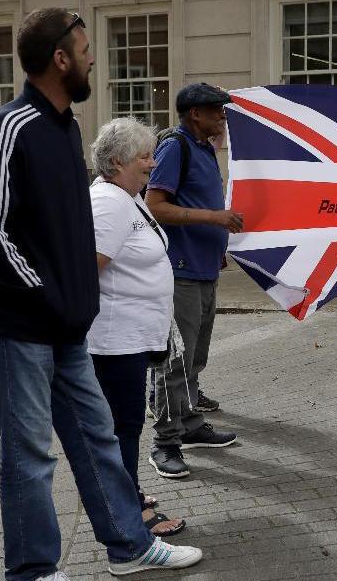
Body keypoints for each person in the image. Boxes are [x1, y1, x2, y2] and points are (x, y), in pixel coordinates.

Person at [0, 8, 201, 580]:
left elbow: (67, 233)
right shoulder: (10, 125)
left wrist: (74, 306)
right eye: (86, 48)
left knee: (98, 439)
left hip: (67, 327)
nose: (95, 57)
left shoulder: (65, 127)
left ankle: (128, 545)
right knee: (29, 455)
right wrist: (48, 296)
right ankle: (33, 571)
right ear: (60, 59)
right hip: (22, 326)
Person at [87, 117, 186, 537]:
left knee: (126, 424)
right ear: (116, 161)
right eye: (143, 156)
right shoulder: (109, 201)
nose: (152, 163)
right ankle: (127, 513)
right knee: (122, 426)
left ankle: (127, 492)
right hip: (115, 340)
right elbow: (88, 267)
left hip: (131, 337)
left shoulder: (129, 197)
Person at [145, 83, 242, 479]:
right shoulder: (176, 146)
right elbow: (156, 205)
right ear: (194, 114)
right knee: (175, 359)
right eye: (216, 110)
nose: (222, 115)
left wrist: (215, 245)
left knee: (195, 354)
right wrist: (214, 219)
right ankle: (163, 442)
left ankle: (187, 424)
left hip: (203, 267)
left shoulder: (203, 148)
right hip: (180, 270)